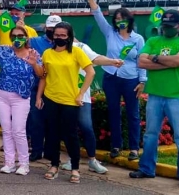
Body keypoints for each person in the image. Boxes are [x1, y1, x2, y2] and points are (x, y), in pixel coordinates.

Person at [130, 10, 179, 190]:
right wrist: (169, 61)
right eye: (164, 26)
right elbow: (141, 62)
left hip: (177, 96)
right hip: (155, 95)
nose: (166, 30)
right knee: (150, 134)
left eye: (170, 26)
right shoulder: (152, 41)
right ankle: (146, 168)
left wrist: (156, 58)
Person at [85, 0, 146, 161]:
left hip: (131, 80)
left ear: (129, 20)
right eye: (117, 19)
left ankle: (134, 148)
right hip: (111, 78)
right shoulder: (110, 32)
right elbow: (97, 13)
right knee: (113, 112)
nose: (120, 22)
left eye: (123, 19)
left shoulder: (138, 39)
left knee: (133, 114)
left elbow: (141, 60)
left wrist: (142, 81)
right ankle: (116, 146)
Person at [0, 25, 43, 175]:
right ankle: (9, 163)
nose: (17, 39)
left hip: (21, 98)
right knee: (6, 131)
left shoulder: (33, 53)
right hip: (2, 95)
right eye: (13, 36)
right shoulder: (4, 50)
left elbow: (41, 74)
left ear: (26, 37)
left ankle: (24, 164)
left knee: (19, 131)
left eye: (20, 36)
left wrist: (33, 64)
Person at [36, 22, 95, 184]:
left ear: (69, 36)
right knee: (52, 134)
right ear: (53, 36)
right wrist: (39, 97)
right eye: (57, 35)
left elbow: (91, 72)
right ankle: (54, 165)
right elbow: (43, 76)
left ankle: (75, 168)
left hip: (70, 100)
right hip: (51, 98)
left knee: (71, 136)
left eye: (63, 35)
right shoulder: (47, 53)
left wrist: (81, 93)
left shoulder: (76, 52)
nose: (59, 38)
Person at [60, 41, 125, 174]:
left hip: (82, 95)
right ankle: (72, 159)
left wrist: (112, 61)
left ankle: (92, 160)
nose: (57, 35)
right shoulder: (52, 49)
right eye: (53, 30)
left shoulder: (80, 47)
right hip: (62, 96)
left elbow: (96, 58)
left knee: (87, 127)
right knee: (68, 129)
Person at [27, 15, 62, 162]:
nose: (52, 31)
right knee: (36, 120)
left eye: (55, 29)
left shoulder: (65, 44)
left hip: (56, 87)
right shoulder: (35, 41)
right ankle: (36, 151)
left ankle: (51, 152)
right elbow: (19, 41)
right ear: (45, 28)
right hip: (36, 87)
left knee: (54, 122)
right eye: (50, 28)